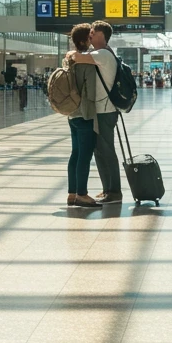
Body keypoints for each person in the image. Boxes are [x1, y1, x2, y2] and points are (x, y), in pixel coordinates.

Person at [84, 21, 123, 203]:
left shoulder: (103, 54)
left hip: (105, 111)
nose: (90, 36)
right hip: (101, 109)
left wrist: (75, 50)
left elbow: (75, 58)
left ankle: (114, 191)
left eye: (92, 33)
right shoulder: (102, 53)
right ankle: (108, 189)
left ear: (101, 35)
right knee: (99, 151)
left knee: (106, 150)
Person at [64, 24, 101, 208]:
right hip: (85, 114)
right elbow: (91, 92)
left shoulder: (69, 59)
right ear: (83, 41)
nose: (91, 41)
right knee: (85, 155)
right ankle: (82, 194)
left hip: (71, 113)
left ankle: (72, 193)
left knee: (75, 154)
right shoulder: (87, 62)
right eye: (90, 37)